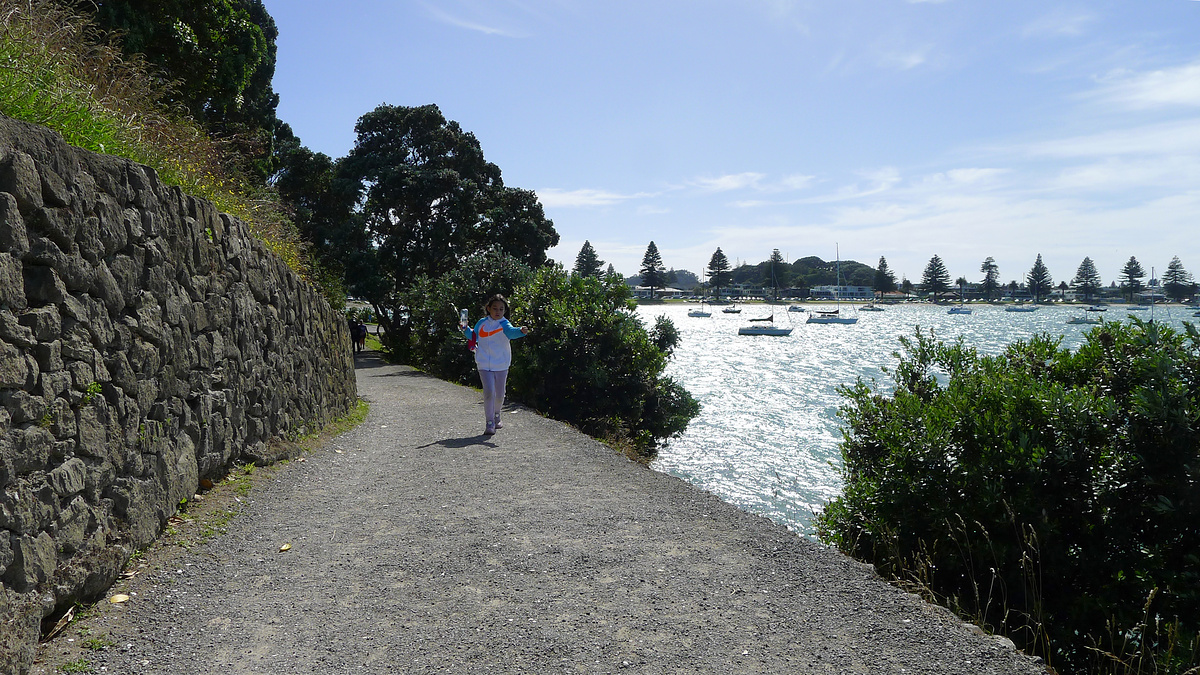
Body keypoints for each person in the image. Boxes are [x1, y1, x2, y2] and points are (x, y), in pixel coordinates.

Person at [461, 294, 530, 435]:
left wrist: (521, 331)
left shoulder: (504, 324)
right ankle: (489, 422)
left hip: (501, 364)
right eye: (495, 308)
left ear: (504, 311)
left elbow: (512, 332)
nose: (498, 311)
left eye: (501, 309)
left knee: (499, 394)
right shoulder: (482, 323)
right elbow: (473, 336)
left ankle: (497, 414)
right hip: (483, 362)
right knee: (489, 393)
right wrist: (465, 329)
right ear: (488, 309)